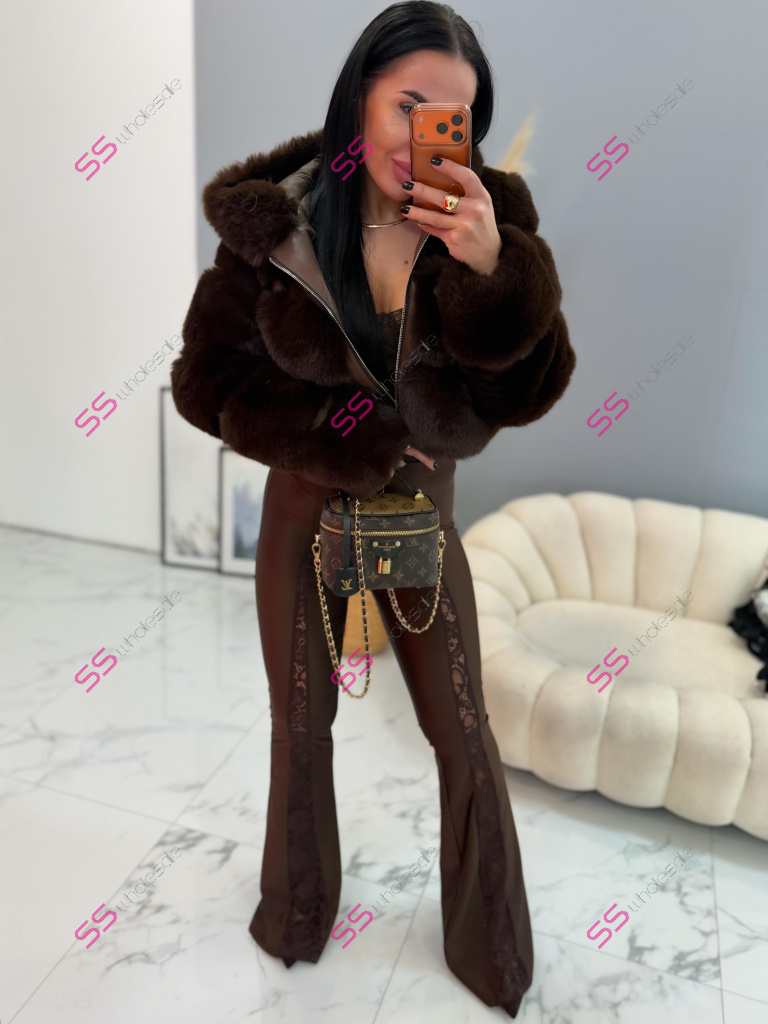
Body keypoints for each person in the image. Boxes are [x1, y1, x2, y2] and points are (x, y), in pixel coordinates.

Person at [170, 1, 575, 1016]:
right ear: (359, 97)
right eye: (409, 103)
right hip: (304, 518)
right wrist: (349, 435)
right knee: (299, 726)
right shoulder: (278, 223)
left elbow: (530, 388)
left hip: (422, 522)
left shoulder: (489, 226)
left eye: (455, 116)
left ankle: (493, 954)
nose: (428, 132)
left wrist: (491, 274)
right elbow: (205, 380)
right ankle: (295, 915)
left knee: (464, 731)